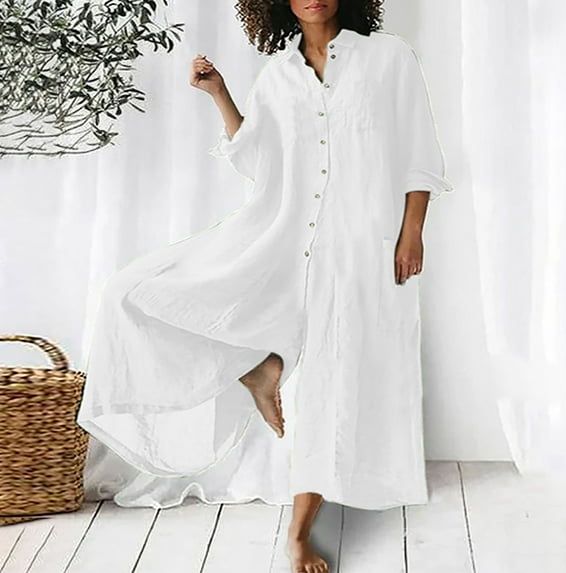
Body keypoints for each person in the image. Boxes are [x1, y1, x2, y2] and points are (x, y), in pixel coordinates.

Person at [77, 1, 454, 572]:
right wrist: (219, 94)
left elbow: (417, 151)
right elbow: (258, 158)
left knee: (335, 383)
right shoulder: (278, 74)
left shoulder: (388, 58)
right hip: (285, 238)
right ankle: (259, 365)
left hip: (362, 249)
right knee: (131, 292)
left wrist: (412, 233)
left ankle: (298, 532)